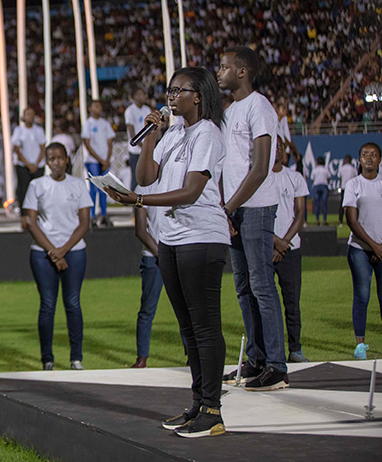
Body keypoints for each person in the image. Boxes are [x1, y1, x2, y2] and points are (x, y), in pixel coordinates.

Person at [107, 67, 230, 438]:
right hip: (173, 238)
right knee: (188, 327)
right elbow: (146, 176)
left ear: (200, 96)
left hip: (202, 236)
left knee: (205, 326)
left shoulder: (207, 133)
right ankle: (197, 403)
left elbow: (191, 191)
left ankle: (213, 409)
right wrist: (151, 137)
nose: (171, 96)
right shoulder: (172, 131)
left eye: (180, 90)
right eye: (169, 89)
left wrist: (139, 200)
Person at [218, 46, 289, 391]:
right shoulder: (229, 111)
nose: (219, 72)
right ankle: (257, 359)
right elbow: (225, 167)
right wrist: (224, 206)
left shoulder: (259, 107)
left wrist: (229, 207)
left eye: (224, 67)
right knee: (244, 288)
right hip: (234, 209)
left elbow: (261, 168)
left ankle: (277, 365)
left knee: (262, 285)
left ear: (242, 72)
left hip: (256, 208)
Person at [24, 142, 92, 371]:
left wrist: (62, 251)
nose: (56, 163)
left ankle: (76, 358)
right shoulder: (36, 185)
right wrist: (54, 252)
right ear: (46, 161)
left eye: (60, 158)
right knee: (48, 305)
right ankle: (47, 360)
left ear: (66, 159)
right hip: (43, 253)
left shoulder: (78, 185)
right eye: (51, 159)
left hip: (73, 251)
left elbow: (84, 223)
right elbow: (31, 223)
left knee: (73, 303)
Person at [271, 137, 310, 363]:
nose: (277, 150)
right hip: (267, 248)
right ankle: (269, 352)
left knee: (292, 303)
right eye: (273, 145)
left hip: (290, 249)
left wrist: (284, 242)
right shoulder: (258, 178)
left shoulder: (295, 177)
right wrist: (275, 242)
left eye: (281, 146)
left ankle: (295, 349)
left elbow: (300, 214)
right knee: (266, 304)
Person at [343, 142, 382, 360]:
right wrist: (374, 245)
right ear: (359, 160)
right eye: (365, 154)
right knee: (362, 295)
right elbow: (351, 219)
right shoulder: (353, 184)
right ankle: (360, 345)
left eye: (373, 155)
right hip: (359, 248)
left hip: (381, 247)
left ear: (379, 160)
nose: (369, 158)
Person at [131, 183, 163, 369]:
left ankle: (191, 355)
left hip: (179, 253)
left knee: (184, 309)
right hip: (153, 257)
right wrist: (160, 253)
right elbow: (140, 230)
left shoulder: (180, 178)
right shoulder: (143, 188)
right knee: (147, 310)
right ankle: (142, 357)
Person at [82, 100, 116, 226]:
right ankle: (92, 215)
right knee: (93, 189)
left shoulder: (105, 124)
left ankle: (103, 214)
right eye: (96, 106)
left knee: (105, 189)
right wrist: (101, 159)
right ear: (90, 108)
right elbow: (87, 143)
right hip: (92, 161)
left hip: (104, 161)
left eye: (100, 106)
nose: (98, 109)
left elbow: (110, 142)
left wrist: (106, 159)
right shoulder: (88, 124)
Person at [12, 107, 46, 214]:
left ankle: (38, 213)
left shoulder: (39, 130)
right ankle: (24, 215)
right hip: (23, 165)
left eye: (32, 114)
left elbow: (43, 148)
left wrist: (35, 164)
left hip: (38, 165)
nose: (29, 117)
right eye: (27, 114)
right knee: (24, 190)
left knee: (38, 191)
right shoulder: (19, 130)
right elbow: (17, 149)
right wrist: (28, 164)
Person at [124, 88, 152, 190]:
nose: (145, 96)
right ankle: (134, 203)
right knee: (136, 177)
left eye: (145, 94)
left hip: (145, 148)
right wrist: (142, 145)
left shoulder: (147, 110)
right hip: (135, 150)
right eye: (141, 94)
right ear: (135, 97)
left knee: (147, 176)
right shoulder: (130, 111)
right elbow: (131, 132)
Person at [338, 154, 358, 226]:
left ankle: (340, 220)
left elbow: (340, 177)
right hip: (351, 189)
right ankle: (352, 220)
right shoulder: (353, 169)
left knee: (342, 205)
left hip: (344, 188)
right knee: (352, 204)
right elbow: (356, 179)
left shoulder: (342, 168)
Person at [310, 156, 330, 225]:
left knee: (317, 204)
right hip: (324, 186)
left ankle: (317, 220)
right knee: (324, 204)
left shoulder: (315, 170)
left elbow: (312, 179)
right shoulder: (325, 170)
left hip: (316, 186)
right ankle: (324, 219)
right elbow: (328, 178)